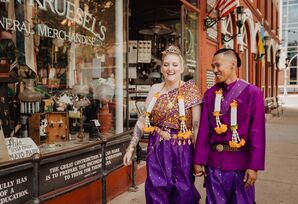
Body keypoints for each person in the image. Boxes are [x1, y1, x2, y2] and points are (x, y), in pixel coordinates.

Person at [123, 45, 202, 204]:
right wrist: (131, 146)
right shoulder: (154, 89)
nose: (170, 68)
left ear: (182, 67)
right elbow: (142, 119)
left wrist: (198, 159)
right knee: (156, 191)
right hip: (158, 147)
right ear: (161, 68)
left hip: (183, 148)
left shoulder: (191, 90)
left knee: (183, 192)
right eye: (166, 64)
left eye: (174, 64)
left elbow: (196, 126)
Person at [193, 48, 266, 204]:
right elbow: (204, 129)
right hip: (214, 164)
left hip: (241, 165)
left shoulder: (254, 93)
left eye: (217, 65)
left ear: (232, 64)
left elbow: (257, 132)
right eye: (213, 66)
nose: (214, 70)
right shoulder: (210, 94)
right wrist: (199, 160)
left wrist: (254, 167)